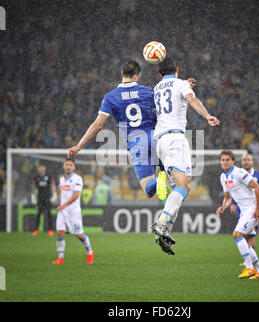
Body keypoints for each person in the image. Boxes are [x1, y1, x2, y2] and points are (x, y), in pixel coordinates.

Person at [67, 60, 194, 256]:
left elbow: (98, 125)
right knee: (182, 184)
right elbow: (165, 104)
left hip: (137, 143)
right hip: (157, 137)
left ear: (122, 74)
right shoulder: (146, 91)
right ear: (137, 76)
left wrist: (79, 145)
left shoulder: (111, 97)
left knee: (149, 190)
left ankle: (158, 182)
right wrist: (182, 85)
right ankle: (165, 219)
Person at [150, 57, 220, 254]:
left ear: (159, 74)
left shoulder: (157, 88)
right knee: (183, 186)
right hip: (175, 139)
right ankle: (162, 223)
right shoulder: (180, 84)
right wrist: (208, 116)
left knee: (181, 188)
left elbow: (172, 95)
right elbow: (192, 99)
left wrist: (184, 85)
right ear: (178, 70)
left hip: (161, 142)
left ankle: (163, 232)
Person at [216, 150, 259, 279]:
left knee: (237, 234)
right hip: (244, 211)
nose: (225, 162)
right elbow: (228, 197)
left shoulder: (239, 173)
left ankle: (249, 268)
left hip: (252, 210)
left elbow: (257, 187)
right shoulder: (223, 177)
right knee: (244, 240)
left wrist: (257, 209)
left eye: (227, 160)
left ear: (233, 161)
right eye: (222, 160)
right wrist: (223, 206)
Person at [52, 158, 94, 264]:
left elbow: (76, 196)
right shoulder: (61, 179)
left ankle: (89, 252)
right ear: (63, 166)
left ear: (74, 167)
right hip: (62, 210)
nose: (68, 166)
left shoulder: (77, 179)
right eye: (67, 164)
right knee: (60, 232)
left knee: (78, 234)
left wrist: (63, 205)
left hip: (73, 211)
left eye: (71, 165)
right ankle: (60, 258)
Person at [230, 153, 259, 251]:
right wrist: (233, 203)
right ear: (241, 162)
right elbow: (235, 191)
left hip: (253, 208)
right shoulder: (237, 175)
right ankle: (249, 259)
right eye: (244, 160)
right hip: (241, 208)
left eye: (248, 160)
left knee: (249, 234)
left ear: (252, 162)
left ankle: (249, 260)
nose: (246, 162)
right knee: (244, 234)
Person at [32, 165, 57, 236]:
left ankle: (50, 230)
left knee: (49, 214)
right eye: (40, 168)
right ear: (38, 169)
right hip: (40, 198)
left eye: (42, 168)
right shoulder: (36, 177)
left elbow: (53, 184)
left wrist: (54, 194)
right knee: (38, 214)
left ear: (44, 169)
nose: (41, 169)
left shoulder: (48, 176)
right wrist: (33, 195)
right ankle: (36, 230)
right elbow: (33, 186)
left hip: (47, 198)